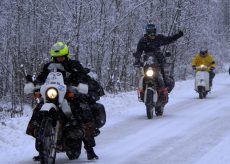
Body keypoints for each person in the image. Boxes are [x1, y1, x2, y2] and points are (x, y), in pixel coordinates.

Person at [26, 42, 104, 161]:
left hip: (69, 95)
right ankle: (42, 148)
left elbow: (83, 77)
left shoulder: (74, 65)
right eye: (57, 57)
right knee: (38, 112)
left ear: (66, 55)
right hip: (52, 96)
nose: (59, 59)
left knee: (82, 112)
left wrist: (80, 86)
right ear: (53, 57)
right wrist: (35, 85)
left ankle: (89, 149)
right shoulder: (48, 67)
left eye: (62, 57)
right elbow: (41, 78)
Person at [133, 23, 183, 101]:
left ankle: (165, 89)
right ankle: (142, 91)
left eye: (153, 31)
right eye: (150, 31)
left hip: (159, 61)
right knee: (142, 76)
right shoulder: (143, 40)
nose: (151, 33)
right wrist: (137, 60)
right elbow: (139, 52)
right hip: (147, 62)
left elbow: (169, 39)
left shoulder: (159, 38)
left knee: (165, 77)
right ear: (147, 31)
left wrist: (178, 35)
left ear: (155, 31)